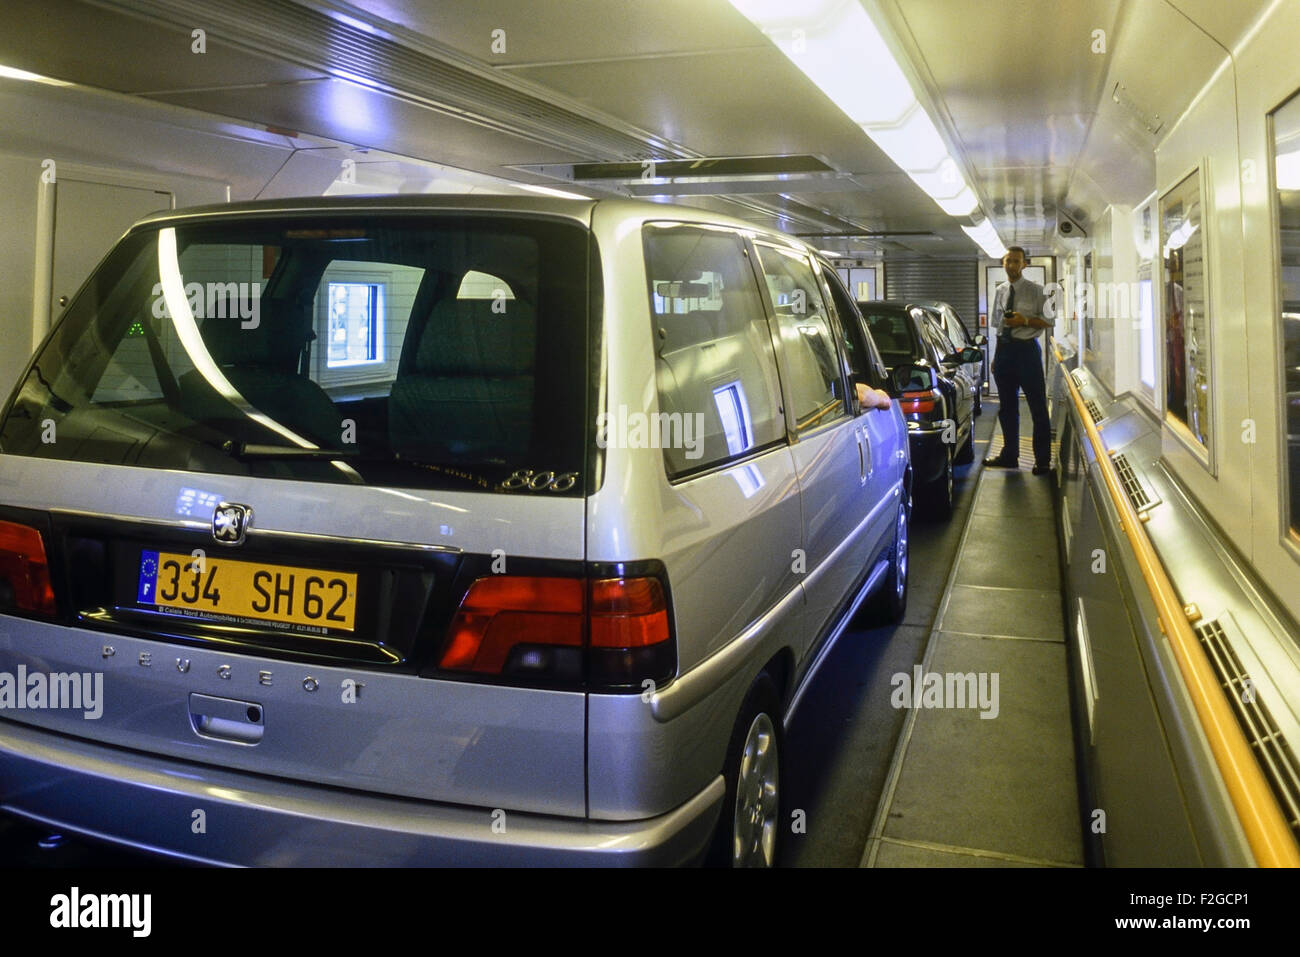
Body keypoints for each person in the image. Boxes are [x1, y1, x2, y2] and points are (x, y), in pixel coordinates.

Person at [984, 246, 1053, 475]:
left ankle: (1042, 461)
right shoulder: (1001, 290)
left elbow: (1048, 322)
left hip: (1027, 353)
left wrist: (1024, 321)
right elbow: (999, 327)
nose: (1011, 265)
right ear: (1003, 263)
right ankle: (1009, 455)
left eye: (1016, 261)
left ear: (1024, 265)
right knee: (1007, 408)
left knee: (1037, 409)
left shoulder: (1037, 291)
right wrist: (996, 358)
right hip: (1005, 352)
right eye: (1008, 261)